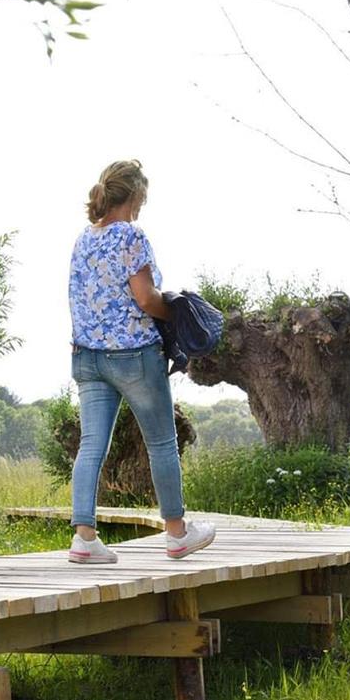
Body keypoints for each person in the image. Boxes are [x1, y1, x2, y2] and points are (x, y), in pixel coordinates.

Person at [65, 160, 215, 565]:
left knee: (92, 444)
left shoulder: (84, 239)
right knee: (162, 443)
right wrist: (179, 314)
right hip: (133, 355)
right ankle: (177, 534)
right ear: (134, 196)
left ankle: (84, 539)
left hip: (87, 357)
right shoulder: (130, 235)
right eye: (142, 198)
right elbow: (146, 299)